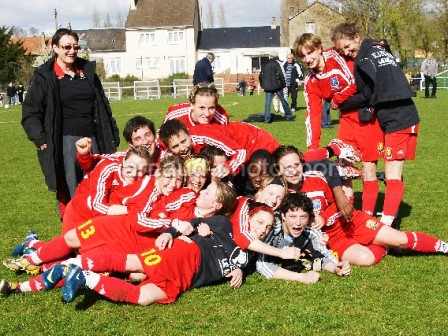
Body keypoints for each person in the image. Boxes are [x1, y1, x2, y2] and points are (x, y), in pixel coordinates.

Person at [21, 28, 120, 218]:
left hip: (94, 139)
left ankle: (100, 232)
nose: (72, 51)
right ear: (55, 48)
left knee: (100, 186)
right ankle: (73, 235)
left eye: (76, 47)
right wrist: (41, 139)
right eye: (67, 47)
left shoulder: (88, 72)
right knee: (72, 191)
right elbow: (30, 112)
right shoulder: (44, 77)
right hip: (65, 142)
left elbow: (103, 105)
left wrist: (112, 134)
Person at [331, 22, 420, 226]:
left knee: (392, 174)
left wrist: (341, 103)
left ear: (356, 37)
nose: (346, 52)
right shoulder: (377, 47)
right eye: (341, 50)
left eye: (347, 46)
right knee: (391, 172)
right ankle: (389, 219)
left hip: (400, 117)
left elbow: (368, 94)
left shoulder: (363, 59)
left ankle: (386, 226)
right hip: (395, 116)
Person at [294, 33, 383, 212]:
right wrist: (313, 148)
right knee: (344, 169)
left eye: (310, 53)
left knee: (368, 170)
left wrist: (336, 100)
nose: (307, 59)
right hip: (346, 122)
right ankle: (349, 212)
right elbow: (313, 115)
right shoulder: (311, 82)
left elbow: (356, 82)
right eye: (303, 56)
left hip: (367, 116)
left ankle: (368, 217)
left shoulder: (336, 57)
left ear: (319, 48)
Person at [256, 192, 351, 283]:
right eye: (293, 216)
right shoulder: (271, 228)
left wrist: (336, 268)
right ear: (283, 216)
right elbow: (262, 264)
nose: (298, 222)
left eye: (303, 217)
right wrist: (301, 277)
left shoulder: (309, 230)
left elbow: (323, 255)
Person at [61, 146, 153, 233]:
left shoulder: (145, 179)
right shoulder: (108, 168)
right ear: (124, 161)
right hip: (81, 211)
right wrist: (131, 210)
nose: (134, 174)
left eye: (140, 171)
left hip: (104, 216)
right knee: (70, 246)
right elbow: (97, 206)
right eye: (131, 167)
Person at [76, 116, 159, 173]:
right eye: (138, 139)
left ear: (154, 135)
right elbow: (94, 164)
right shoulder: (123, 158)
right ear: (131, 145)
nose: (145, 141)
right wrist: (84, 155)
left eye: (147, 135)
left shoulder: (164, 154)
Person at [163, 83, 229, 128]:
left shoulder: (221, 119)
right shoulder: (175, 117)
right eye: (202, 108)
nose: (207, 114)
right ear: (192, 105)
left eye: (211, 108)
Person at [259, 50, 295, 123]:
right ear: (276, 55)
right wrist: (284, 85)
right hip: (277, 85)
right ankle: (288, 115)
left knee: (268, 103)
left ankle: (267, 119)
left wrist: (262, 85)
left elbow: (261, 75)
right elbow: (282, 74)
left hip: (267, 86)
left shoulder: (265, 64)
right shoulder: (278, 63)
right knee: (283, 100)